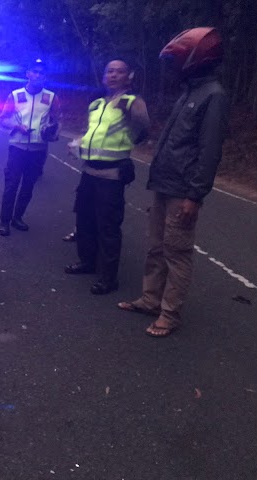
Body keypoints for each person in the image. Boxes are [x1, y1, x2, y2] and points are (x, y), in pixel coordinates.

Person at [117, 27, 229, 337]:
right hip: (165, 184)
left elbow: (210, 151)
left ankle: (170, 313)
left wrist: (196, 196)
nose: (173, 67)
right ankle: (151, 299)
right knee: (156, 247)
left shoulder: (213, 96)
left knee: (176, 253)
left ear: (195, 61)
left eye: (177, 60)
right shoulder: (190, 92)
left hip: (183, 191)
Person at [65, 59, 150, 295]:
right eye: (109, 71)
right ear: (104, 76)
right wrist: (78, 144)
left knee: (108, 226)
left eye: (119, 71)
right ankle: (87, 261)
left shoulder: (132, 102)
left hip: (111, 175)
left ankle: (109, 277)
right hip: (89, 172)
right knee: (84, 219)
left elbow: (143, 129)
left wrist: (128, 144)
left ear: (128, 76)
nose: (113, 75)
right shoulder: (96, 104)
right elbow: (93, 133)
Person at [0, 58, 61, 236]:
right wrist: (17, 126)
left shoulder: (51, 98)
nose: (38, 75)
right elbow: (2, 119)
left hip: (38, 150)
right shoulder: (15, 95)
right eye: (35, 71)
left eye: (42, 73)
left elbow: (57, 122)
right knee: (11, 185)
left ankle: (18, 217)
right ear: (28, 73)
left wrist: (52, 133)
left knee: (28, 186)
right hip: (17, 148)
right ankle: (4, 221)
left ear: (45, 77)